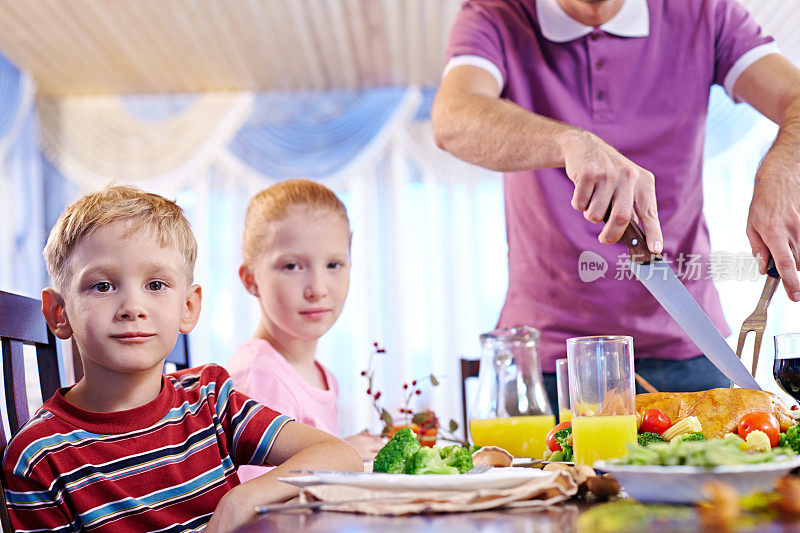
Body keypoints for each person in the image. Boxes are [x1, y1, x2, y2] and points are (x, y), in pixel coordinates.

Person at [431, 0, 800, 409]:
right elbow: (451, 118)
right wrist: (569, 141)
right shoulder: (495, 15)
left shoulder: (704, 12)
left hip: (689, 351)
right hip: (552, 362)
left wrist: (783, 170)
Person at [1, 185, 362, 533]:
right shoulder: (38, 455)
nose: (132, 308)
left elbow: (338, 455)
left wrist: (241, 498)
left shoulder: (212, 400)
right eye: (103, 286)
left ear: (188, 308)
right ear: (59, 312)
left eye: (156, 285)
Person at [226, 179, 382, 481]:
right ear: (250, 279)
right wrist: (341, 452)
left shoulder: (321, 375)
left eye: (334, 265)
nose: (317, 289)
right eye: (292, 266)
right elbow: (252, 497)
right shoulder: (259, 376)